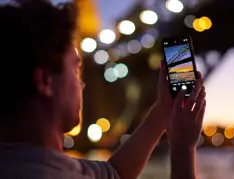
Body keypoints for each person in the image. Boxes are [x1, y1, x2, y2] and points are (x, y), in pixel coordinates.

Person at [0, 1, 206, 179]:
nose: (82, 84)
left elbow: (115, 173)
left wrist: (162, 110)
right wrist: (182, 150)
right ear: (44, 81)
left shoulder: (27, 163)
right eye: (75, 70)